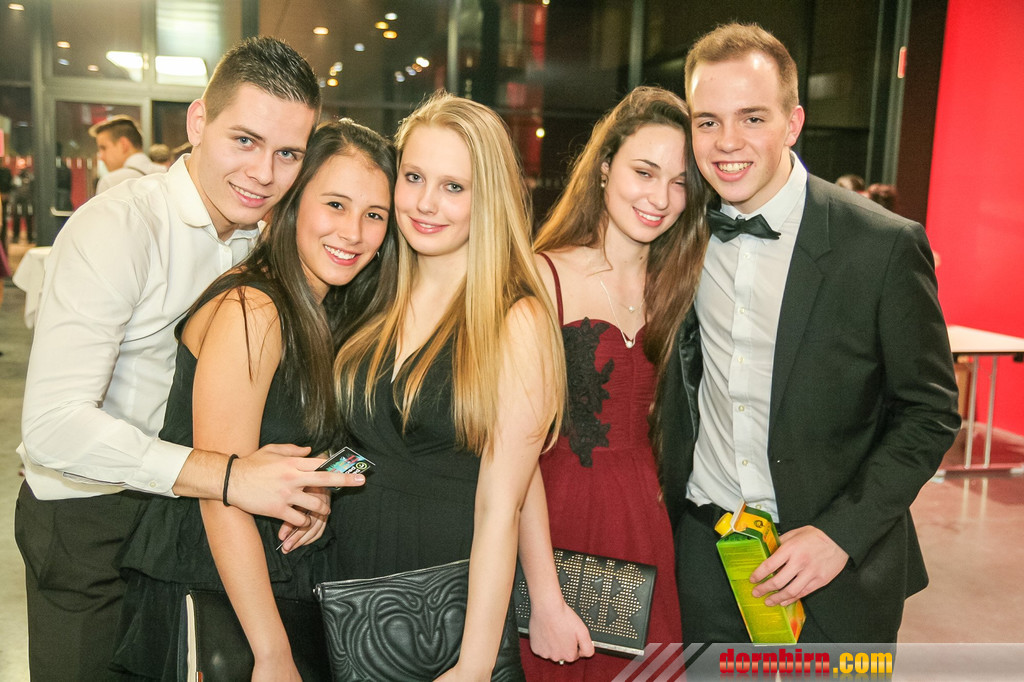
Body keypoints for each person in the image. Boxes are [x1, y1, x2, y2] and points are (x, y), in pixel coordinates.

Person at [15, 37, 359, 681]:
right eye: (245, 140)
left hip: (187, 519)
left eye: (287, 154)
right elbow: (53, 427)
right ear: (199, 122)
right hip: (92, 515)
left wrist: (306, 483)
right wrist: (228, 476)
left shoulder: (270, 237)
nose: (263, 173)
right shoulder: (119, 228)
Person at [658, 22, 960, 644]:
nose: (727, 142)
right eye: (708, 121)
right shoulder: (676, 235)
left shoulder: (881, 245)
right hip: (705, 560)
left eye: (752, 118)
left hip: (836, 569)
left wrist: (839, 536)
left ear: (793, 123)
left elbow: (929, 413)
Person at [112, 119, 397, 681]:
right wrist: (271, 652)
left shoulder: (336, 307)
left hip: (283, 576)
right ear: (291, 201)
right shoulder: (254, 310)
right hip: (216, 583)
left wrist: (322, 482)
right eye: (335, 205)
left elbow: (361, 442)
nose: (354, 233)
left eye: (374, 215)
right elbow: (220, 491)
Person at [331, 91, 565, 678]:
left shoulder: (515, 319)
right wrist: (315, 487)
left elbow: (500, 507)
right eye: (413, 177)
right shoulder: (372, 290)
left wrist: (473, 666)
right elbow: (366, 441)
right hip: (346, 582)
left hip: (445, 602)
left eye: (454, 186)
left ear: (488, 198)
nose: (425, 203)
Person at [515, 86, 709, 677]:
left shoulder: (682, 286)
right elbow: (511, 455)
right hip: (555, 518)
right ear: (604, 167)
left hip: (648, 522)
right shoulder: (541, 275)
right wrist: (545, 596)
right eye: (644, 172)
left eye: (680, 183)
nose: (660, 198)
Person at [90, 115, 167, 193]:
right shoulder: (166, 173)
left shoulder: (109, 183)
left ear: (124, 145)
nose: (101, 157)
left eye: (104, 148)